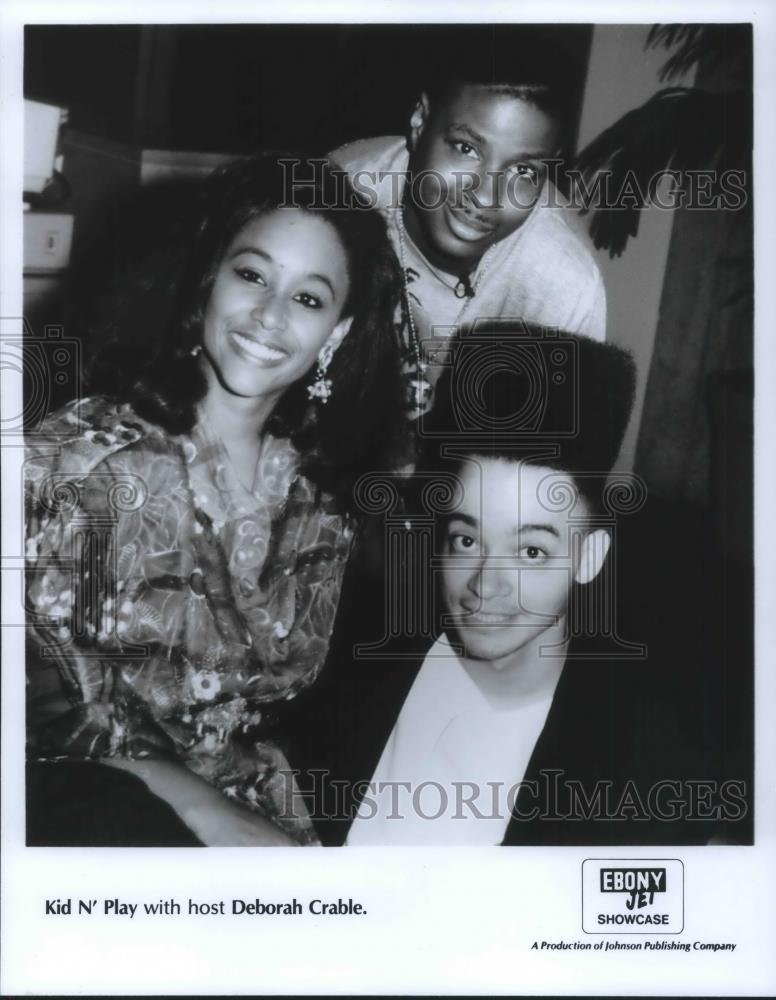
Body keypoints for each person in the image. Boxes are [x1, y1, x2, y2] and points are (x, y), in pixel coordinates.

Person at [24, 154, 407, 847]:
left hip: (264, 822)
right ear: (207, 280)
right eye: (253, 274)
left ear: (338, 335)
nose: (269, 315)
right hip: (88, 815)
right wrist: (203, 810)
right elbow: (35, 706)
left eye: (309, 298)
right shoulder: (82, 458)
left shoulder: (323, 504)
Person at [287, 324, 730, 846]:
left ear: (590, 556)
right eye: (467, 540)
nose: (485, 586)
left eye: (531, 551)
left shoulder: (643, 770)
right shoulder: (349, 658)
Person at [329, 30, 606, 416]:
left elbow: (552, 463)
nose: (485, 194)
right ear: (420, 120)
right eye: (466, 148)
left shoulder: (563, 284)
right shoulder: (340, 198)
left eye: (523, 169)